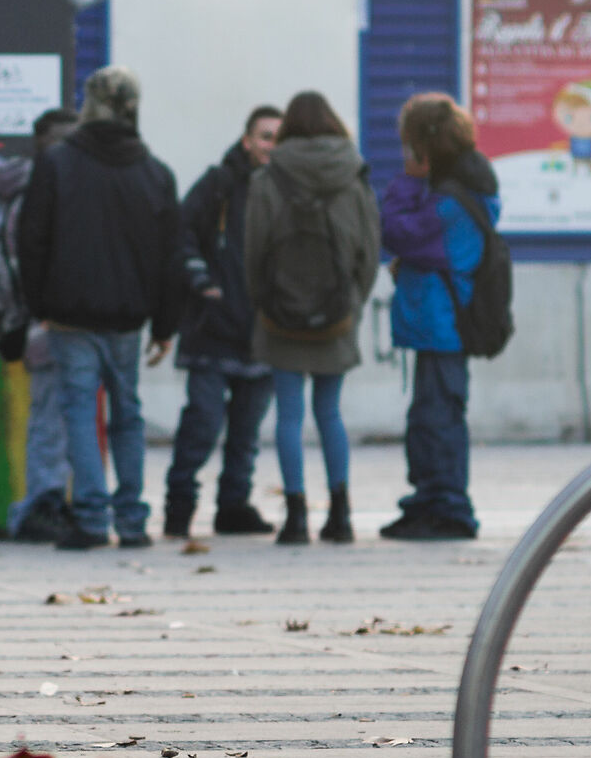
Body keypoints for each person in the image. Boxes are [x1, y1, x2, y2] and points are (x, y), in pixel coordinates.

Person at [16, 66, 197, 551]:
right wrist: (164, 324)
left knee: (78, 411)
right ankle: (133, 521)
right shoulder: (155, 172)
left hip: (70, 313)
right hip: (129, 316)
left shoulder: (56, 163)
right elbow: (170, 255)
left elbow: (31, 239)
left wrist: (40, 304)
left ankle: (92, 519)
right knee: (128, 414)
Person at [243, 91, 379, 545]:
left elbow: (253, 251)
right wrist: (353, 303)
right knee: (329, 411)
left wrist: (265, 301)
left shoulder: (268, 179)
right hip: (338, 313)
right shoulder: (353, 177)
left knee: (288, 413)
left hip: (281, 313)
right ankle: (340, 513)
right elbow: (370, 251)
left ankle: (296, 516)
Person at [379, 93, 499, 540]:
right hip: (437, 323)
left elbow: (398, 231)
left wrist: (409, 181)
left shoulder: (451, 199)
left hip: (444, 325)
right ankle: (426, 501)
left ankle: (450, 508)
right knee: (427, 418)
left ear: (423, 149)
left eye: (408, 145)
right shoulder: (459, 190)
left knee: (439, 418)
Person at [164, 104, 283, 539]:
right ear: (248, 139)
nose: (272, 145)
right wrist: (200, 278)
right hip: (211, 329)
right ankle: (179, 506)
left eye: (278, 137)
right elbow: (181, 232)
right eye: (265, 136)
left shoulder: (288, 191)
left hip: (264, 333)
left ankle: (233, 507)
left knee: (246, 434)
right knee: (202, 423)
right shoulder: (218, 183)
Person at [0, 107, 81, 543]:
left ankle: (45, 501)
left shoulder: (26, 188)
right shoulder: (39, 192)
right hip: (46, 322)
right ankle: (40, 505)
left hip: (40, 322)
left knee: (52, 417)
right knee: (50, 419)